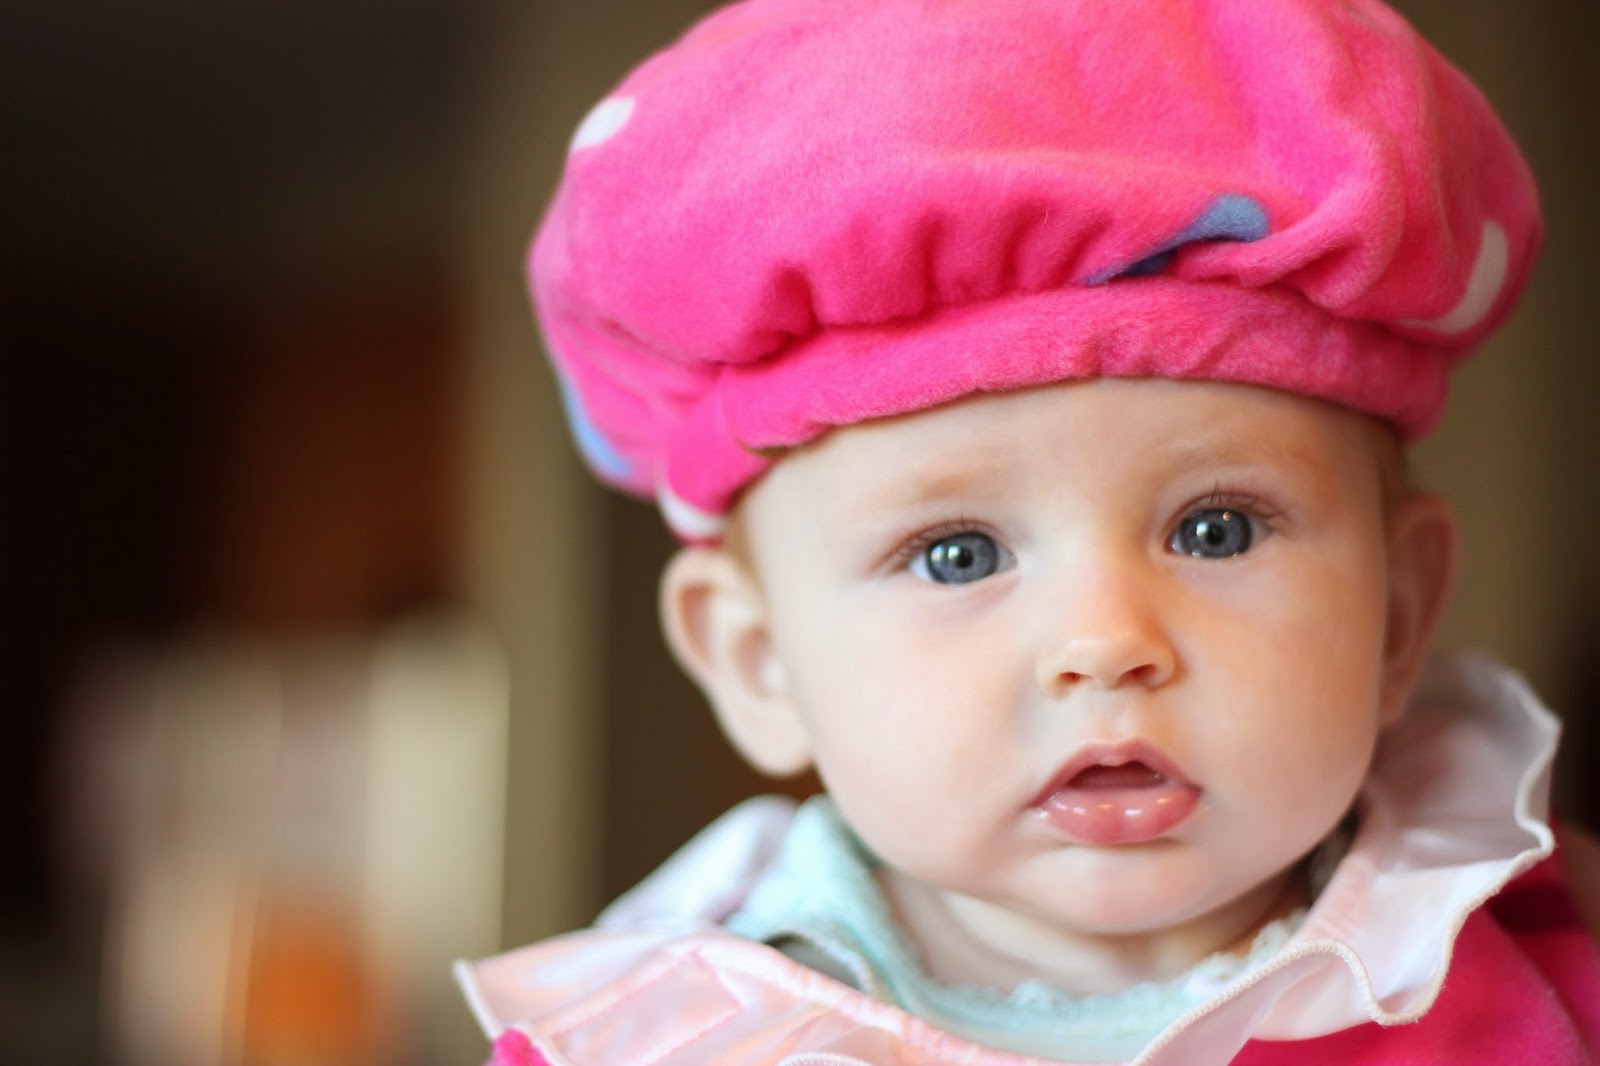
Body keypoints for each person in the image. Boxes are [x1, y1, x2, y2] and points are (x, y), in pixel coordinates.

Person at [456, 0, 1600, 1062]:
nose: (1104, 642)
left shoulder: (1551, 974)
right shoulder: (665, 1038)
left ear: (1396, 611)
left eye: (1214, 530)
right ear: (760, 664)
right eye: (956, 554)